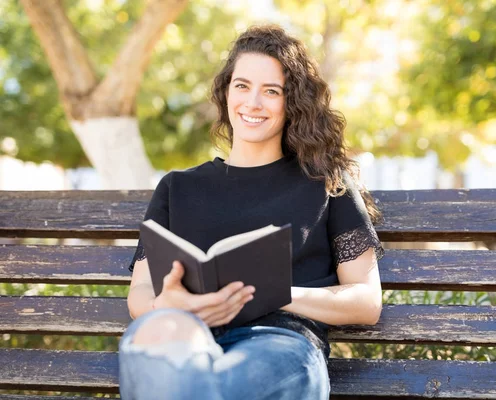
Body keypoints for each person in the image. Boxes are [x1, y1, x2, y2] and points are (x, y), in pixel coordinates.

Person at [119, 24, 385, 400]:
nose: (253, 103)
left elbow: (366, 301)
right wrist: (168, 304)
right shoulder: (177, 188)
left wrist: (270, 292)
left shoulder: (325, 184)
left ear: (291, 102)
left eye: (271, 91)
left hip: (281, 341)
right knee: (155, 341)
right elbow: (140, 294)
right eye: (242, 86)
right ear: (226, 92)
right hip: (186, 330)